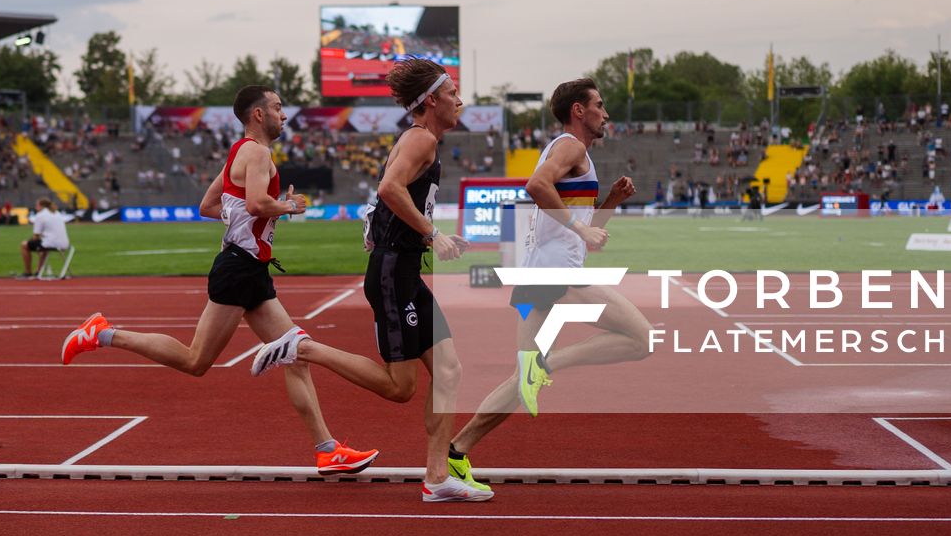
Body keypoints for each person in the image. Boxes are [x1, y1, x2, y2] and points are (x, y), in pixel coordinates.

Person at [59, 85, 379, 477]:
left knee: (296, 355)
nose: (285, 115)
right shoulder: (258, 152)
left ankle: (328, 450)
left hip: (250, 268)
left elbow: (209, 206)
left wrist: (260, 218)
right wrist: (287, 207)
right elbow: (257, 204)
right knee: (197, 361)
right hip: (240, 269)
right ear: (258, 114)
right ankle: (103, 333)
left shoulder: (237, 152)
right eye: (278, 107)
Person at [251, 60, 491, 502]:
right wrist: (431, 234)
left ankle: (437, 477)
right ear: (432, 100)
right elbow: (389, 190)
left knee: (450, 371)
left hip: (402, 267)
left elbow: (387, 198)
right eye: (453, 92)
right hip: (393, 274)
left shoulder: (419, 139)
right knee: (400, 388)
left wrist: (419, 235)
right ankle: (301, 347)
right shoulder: (421, 139)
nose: (461, 100)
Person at [447, 79, 645, 484]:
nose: (605, 114)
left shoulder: (576, 156)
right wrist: (581, 227)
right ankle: (548, 364)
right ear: (578, 110)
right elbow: (535, 186)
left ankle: (456, 451)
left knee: (521, 380)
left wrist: (608, 204)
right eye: (599, 105)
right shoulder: (569, 146)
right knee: (641, 338)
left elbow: (586, 237)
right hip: (555, 276)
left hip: (543, 273)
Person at [21, 197, 68, 278]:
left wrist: (30, 240)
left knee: (24, 245)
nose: (36, 208)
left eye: (37, 205)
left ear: (41, 206)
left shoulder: (40, 215)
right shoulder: (57, 213)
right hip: (64, 243)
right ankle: (38, 270)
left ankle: (28, 272)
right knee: (43, 247)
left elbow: (35, 236)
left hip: (50, 243)